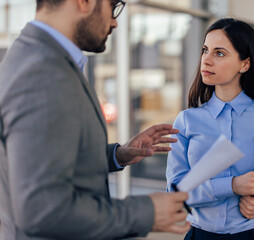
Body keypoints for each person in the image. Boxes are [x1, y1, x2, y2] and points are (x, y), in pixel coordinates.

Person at [0, 0, 190, 239]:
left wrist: (117, 154)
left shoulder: (34, 55)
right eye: (113, 6)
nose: (114, 21)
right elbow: (42, 210)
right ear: (84, 2)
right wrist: (146, 212)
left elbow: (41, 159)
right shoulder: (44, 72)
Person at [166, 18, 254, 240]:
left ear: (245, 64)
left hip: (253, 235)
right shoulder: (186, 121)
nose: (206, 60)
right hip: (199, 235)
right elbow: (176, 192)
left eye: (219, 53)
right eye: (205, 50)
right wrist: (232, 185)